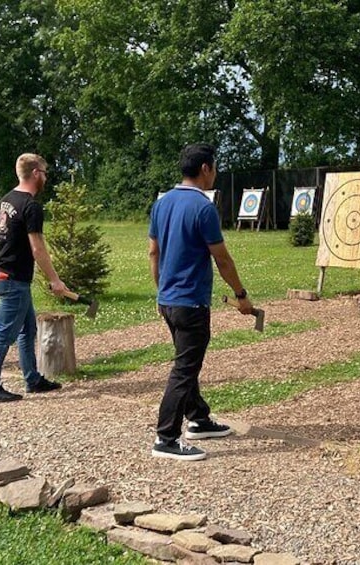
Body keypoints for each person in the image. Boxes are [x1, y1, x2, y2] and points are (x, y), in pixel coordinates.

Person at [148, 143, 254, 461]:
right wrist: (241, 295)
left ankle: (199, 419)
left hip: (169, 300)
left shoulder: (162, 203)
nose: (215, 173)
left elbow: (153, 252)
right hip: (190, 303)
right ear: (206, 168)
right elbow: (221, 259)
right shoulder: (203, 207)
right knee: (184, 369)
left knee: (186, 362)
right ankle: (166, 438)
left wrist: (161, 291)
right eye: (215, 167)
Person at [0, 153, 67, 403]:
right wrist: (54, 279)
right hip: (13, 278)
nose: (47, 178)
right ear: (36, 173)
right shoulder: (31, 206)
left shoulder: (6, 199)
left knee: (28, 329)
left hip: (4, 274)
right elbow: (37, 248)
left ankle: (32, 378)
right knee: (4, 334)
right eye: (46, 173)